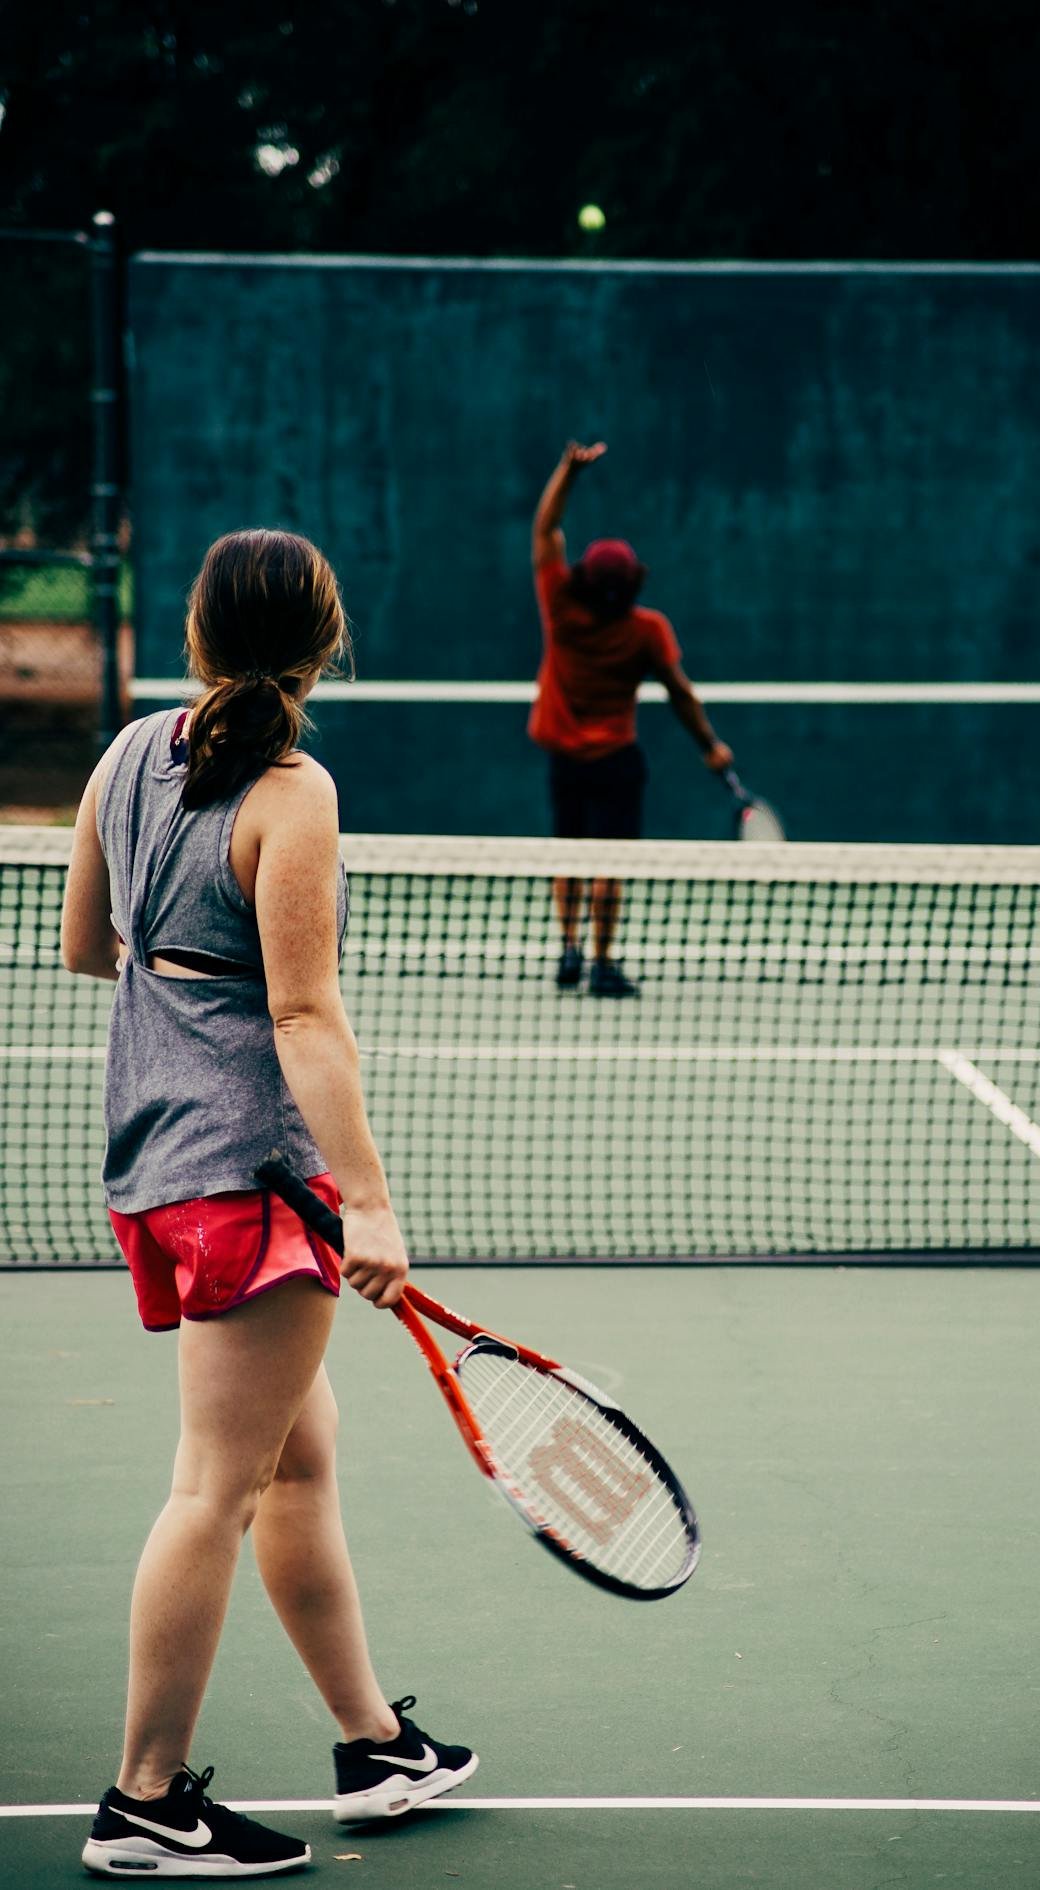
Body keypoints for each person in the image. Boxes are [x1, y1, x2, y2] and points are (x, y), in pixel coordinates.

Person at [62, 529, 478, 1879]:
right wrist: (370, 1203)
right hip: (249, 1173)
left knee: (298, 1458)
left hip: (156, 1160)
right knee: (213, 1488)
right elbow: (302, 1012)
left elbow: (83, 946)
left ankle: (373, 1743)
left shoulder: (128, 752)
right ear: (324, 641)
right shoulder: (295, 791)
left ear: (194, 631)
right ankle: (144, 1797)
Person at [529, 440, 733, 997]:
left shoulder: (562, 606)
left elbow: (545, 532)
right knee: (608, 864)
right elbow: (681, 694)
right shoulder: (647, 630)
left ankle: (568, 950)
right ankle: (601, 962)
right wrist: (710, 747)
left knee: (566, 854)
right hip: (616, 762)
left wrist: (568, 471)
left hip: (565, 760)